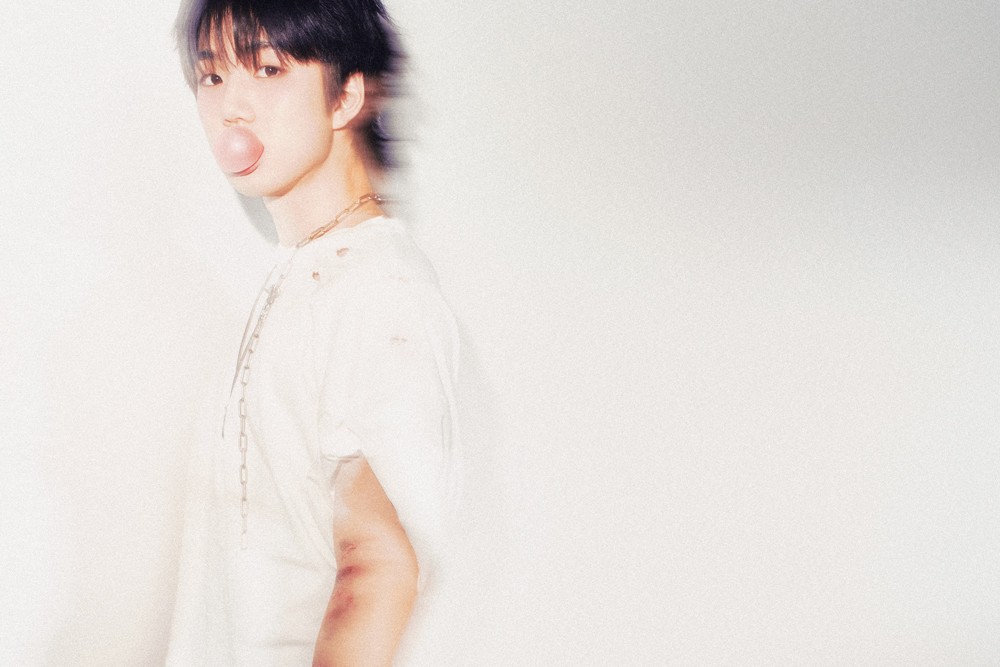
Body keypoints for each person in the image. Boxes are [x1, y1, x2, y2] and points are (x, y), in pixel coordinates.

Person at [166, 1, 460, 664]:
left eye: (268, 69)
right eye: (212, 77)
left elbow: (382, 565)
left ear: (346, 94)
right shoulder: (298, 275)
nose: (231, 108)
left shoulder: (378, 289)